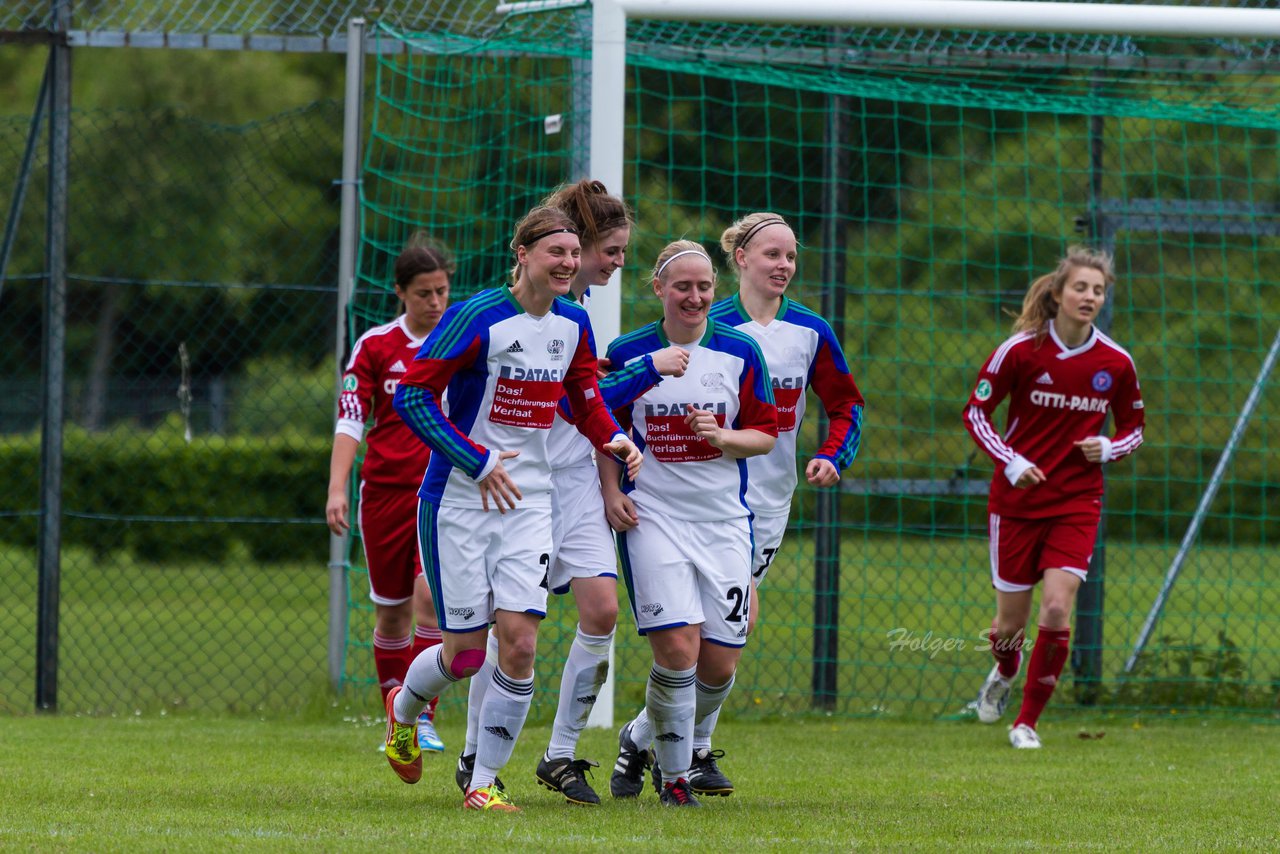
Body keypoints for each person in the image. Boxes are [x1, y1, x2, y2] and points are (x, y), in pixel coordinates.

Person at [382, 205, 642, 813]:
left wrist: (613, 437)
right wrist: (476, 460)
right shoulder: (477, 317)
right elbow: (414, 399)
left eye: (575, 254)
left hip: (531, 501)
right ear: (521, 253)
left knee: (520, 642)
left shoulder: (575, 322)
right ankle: (401, 712)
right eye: (558, 253)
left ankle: (484, 783)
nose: (569, 264)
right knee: (467, 653)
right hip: (458, 501)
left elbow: (583, 397)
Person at [447, 180, 687, 806]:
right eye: (610, 250)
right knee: (506, 632)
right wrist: (641, 371)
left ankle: (557, 754)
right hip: (521, 480)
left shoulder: (576, 316)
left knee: (601, 611)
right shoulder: (523, 313)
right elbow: (567, 400)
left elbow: (584, 401)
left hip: (575, 477)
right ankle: (475, 754)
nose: (614, 263)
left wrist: (610, 466)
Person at [635, 211, 860, 796]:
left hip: (768, 499)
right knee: (712, 635)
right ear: (740, 259)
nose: (783, 265)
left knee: (726, 637)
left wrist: (834, 454)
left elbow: (847, 404)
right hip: (693, 500)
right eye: (772, 254)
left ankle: (648, 742)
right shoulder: (705, 323)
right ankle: (687, 751)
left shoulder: (809, 331)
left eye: (790, 256)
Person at [599, 241, 778, 807]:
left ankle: (638, 736)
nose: (696, 296)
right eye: (683, 286)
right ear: (659, 289)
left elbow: (766, 432)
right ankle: (676, 780)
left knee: (720, 661)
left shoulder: (740, 352)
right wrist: (610, 492)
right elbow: (598, 421)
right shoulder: (630, 351)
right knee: (678, 650)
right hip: (653, 520)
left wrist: (724, 438)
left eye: (704, 287)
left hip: (724, 523)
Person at [964, 246, 1144, 749]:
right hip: (1016, 505)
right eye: (1081, 288)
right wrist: (1013, 461)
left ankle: (1027, 723)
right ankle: (1005, 667)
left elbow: (1135, 429)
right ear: (1059, 293)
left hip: (1077, 502)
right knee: (1008, 625)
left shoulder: (1116, 362)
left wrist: (1108, 446)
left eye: (1098, 291)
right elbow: (976, 414)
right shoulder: (1020, 350)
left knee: (1058, 611)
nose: (1089, 297)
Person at [326, 237, 453, 754]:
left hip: (442, 492)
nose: (436, 302)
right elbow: (350, 419)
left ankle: (421, 714)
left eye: (443, 290)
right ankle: (394, 712)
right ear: (400, 292)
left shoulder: (459, 339)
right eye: (424, 293)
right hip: (382, 495)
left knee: (430, 598)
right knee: (393, 613)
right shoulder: (375, 346)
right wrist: (337, 488)